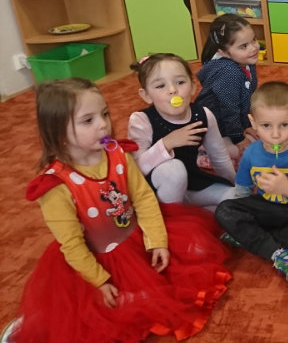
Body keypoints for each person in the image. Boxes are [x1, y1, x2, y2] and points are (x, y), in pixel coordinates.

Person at [5, 78, 231, 343]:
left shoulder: (117, 153)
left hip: (136, 239)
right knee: (101, 316)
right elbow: (72, 245)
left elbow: (144, 198)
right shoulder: (56, 186)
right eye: (88, 120)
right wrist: (99, 281)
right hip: (98, 260)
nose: (103, 124)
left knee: (190, 264)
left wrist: (157, 241)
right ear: (59, 133)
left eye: (104, 114)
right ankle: (31, 324)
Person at [214, 81, 288, 285]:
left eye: (284, 125)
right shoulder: (251, 153)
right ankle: (278, 252)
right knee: (224, 210)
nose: (275, 134)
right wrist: (242, 214)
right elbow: (243, 192)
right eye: (266, 126)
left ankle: (252, 238)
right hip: (265, 209)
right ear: (253, 122)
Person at [127, 53, 236, 210]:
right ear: (146, 95)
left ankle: (194, 212)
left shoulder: (203, 115)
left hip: (193, 184)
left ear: (192, 87)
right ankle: (173, 218)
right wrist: (166, 143)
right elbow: (136, 170)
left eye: (180, 82)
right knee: (174, 169)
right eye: (160, 86)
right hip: (156, 192)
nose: (173, 90)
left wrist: (235, 185)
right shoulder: (141, 120)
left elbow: (219, 158)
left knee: (237, 198)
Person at [195, 13, 260, 160]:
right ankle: (203, 151)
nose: (254, 48)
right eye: (243, 46)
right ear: (223, 52)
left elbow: (247, 98)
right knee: (246, 154)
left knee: (265, 140)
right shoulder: (229, 73)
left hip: (231, 122)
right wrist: (238, 138)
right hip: (214, 126)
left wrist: (247, 125)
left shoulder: (246, 60)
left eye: (254, 40)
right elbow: (229, 109)